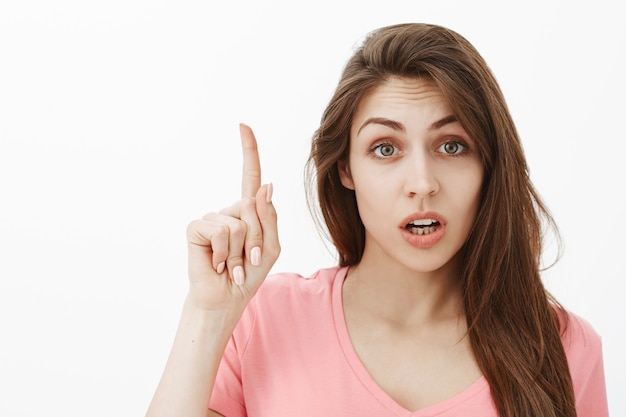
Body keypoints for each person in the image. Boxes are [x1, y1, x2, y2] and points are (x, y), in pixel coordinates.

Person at [145, 23, 608, 417]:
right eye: (385, 148)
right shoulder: (261, 320)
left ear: (489, 164)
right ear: (346, 167)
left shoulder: (565, 348)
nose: (422, 183)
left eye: (452, 146)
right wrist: (207, 315)